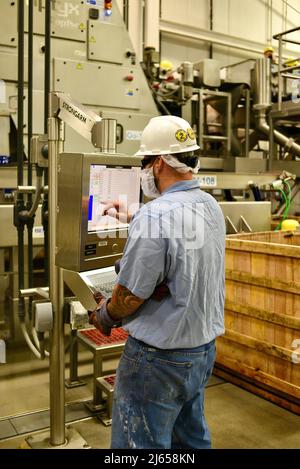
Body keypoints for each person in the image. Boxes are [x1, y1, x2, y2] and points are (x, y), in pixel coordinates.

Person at [88, 115, 226, 449]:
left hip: (157, 361)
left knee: (139, 446)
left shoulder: (155, 216)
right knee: (189, 440)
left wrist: (104, 315)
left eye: (145, 162)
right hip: (201, 353)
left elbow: (130, 295)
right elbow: (179, 232)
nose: (144, 170)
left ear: (160, 161)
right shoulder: (210, 206)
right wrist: (134, 216)